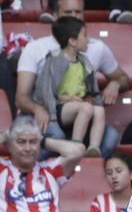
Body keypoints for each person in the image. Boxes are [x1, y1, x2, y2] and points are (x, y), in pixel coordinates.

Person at [16, 0, 129, 156]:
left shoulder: (96, 47)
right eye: (68, 12)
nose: (74, 17)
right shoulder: (35, 48)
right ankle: (45, 177)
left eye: (78, 12)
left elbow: (123, 77)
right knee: (56, 137)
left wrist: (115, 83)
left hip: (79, 116)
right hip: (45, 114)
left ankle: (83, 174)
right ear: (55, 16)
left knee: (111, 137)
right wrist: (38, 109)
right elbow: (21, 98)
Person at [0, 115, 86, 212]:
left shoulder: (51, 170)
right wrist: (6, 136)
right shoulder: (2, 169)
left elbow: (77, 151)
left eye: (33, 142)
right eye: (21, 142)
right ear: (9, 146)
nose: (28, 148)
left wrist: (43, 140)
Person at [34, 17, 105, 156]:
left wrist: (91, 97)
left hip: (79, 105)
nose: (88, 39)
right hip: (59, 107)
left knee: (99, 110)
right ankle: (76, 145)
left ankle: (93, 147)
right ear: (72, 41)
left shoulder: (84, 61)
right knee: (86, 108)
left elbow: (91, 89)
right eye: (84, 35)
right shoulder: (54, 59)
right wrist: (61, 100)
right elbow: (45, 89)